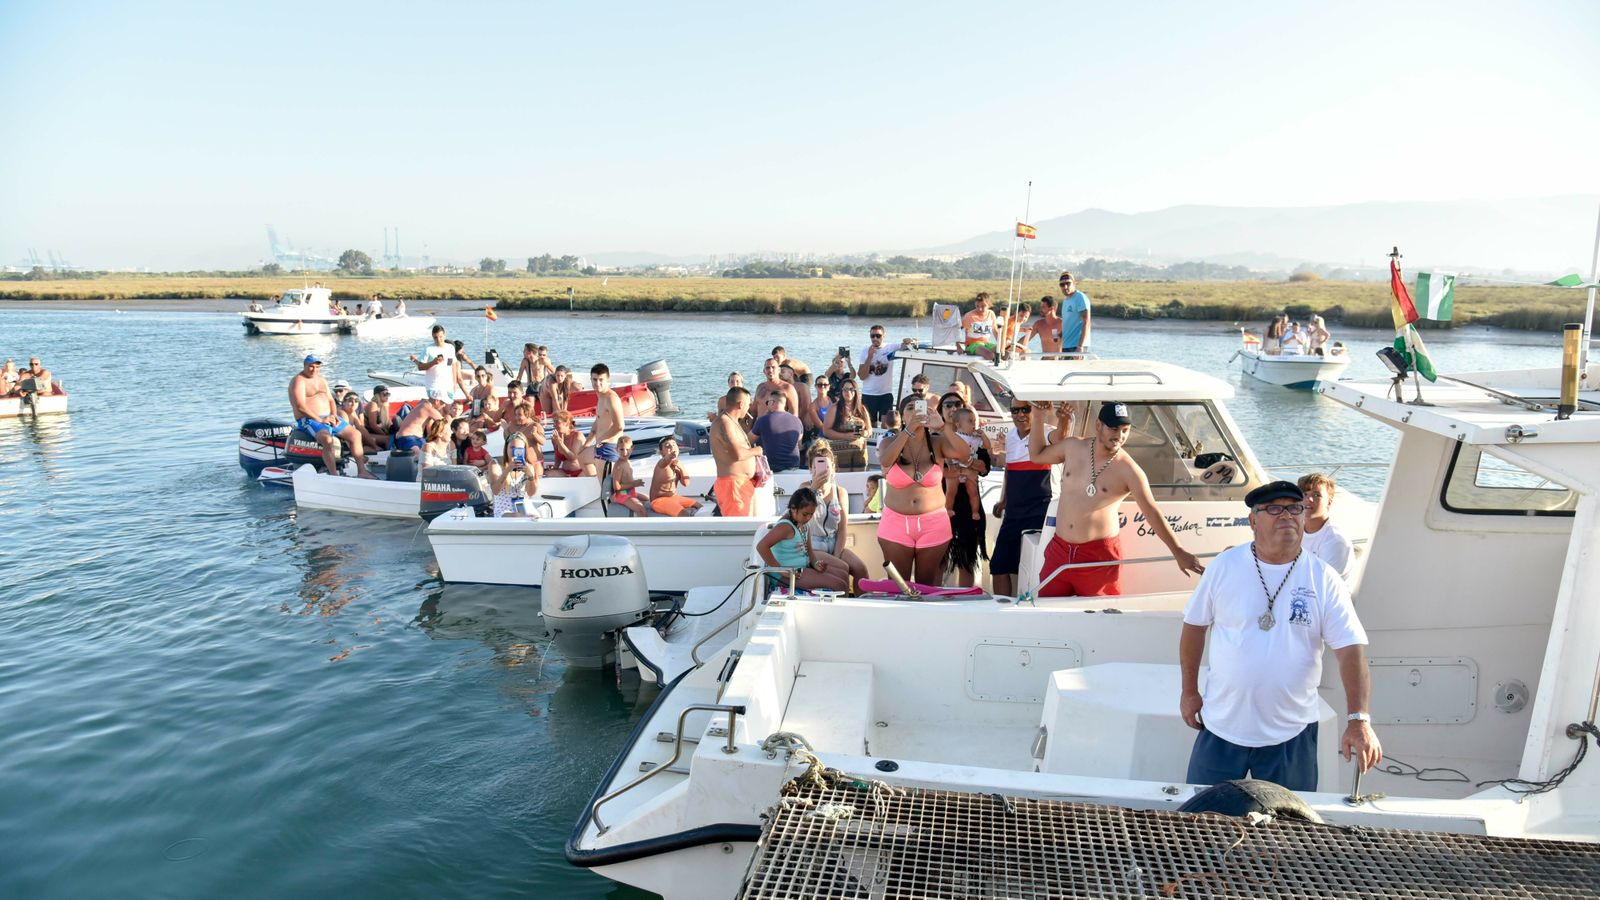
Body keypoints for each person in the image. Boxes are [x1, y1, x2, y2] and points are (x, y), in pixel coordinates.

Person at [1179, 480, 1381, 792]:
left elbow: (1350, 651)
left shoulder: (1324, 578)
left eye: (1294, 508)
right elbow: (1194, 627)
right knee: (1203, 822)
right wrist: (1189, 691)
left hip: (1291, 735)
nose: (1286, 515)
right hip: (1220, 727)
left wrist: (1359, 719)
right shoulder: (1224, 567)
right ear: (1253, 520)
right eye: (1274, 509)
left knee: (1289, 833)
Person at [1028, 401, 1202, 596]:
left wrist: (1178, 551)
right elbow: (1037, 456)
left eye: (1125, 430)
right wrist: (1038, 417)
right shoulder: (1072, 447)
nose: (1119, 436)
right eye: (1114, 428)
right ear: (1098, 425)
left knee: (1100, 620)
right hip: (1059, 550)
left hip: (1098, 557)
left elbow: (1151, 512)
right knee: (1048, 613)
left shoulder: (1129, 470)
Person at [876, 394, 970, 584]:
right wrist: (908, 431)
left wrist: (943, 427)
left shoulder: (937, 443)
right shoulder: (889, 442)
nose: (916, 412)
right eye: (910, 408)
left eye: (921, 407)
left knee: (927, 585)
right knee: (897, 585)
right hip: (896, 523)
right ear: (902, 416)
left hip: (933, 523)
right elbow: (885, 460)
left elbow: (964, 453)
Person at [991, 403, 1056, 597]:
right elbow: (1009, 470)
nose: (1020, 414)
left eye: (1025, 409)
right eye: (1015, 410)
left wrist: (1065, 419)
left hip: (1040, 511)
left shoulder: (1046, 432)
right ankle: (1003, 608)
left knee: (1034, 564)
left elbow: (1060, 438)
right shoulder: (1010, 436)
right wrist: (1003, 500)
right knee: (998, 565)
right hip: (1013, 511)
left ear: (1034, 411)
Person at [937, 393, 992, 587]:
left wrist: (962, 467)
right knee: (939, 558)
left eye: (957, 404)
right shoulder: (936, 438)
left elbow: (985, 467)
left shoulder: (974, 437)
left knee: (966, 559)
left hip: (969, 507)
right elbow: (935, 471)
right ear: (941, 411)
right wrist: (964, 468)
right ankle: (935, 598)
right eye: (947, 405)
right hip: (940, 504)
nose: (952, 408)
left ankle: (965, 599)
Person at [288, 355, 374, 478]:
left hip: (328, 417)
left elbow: (330, 400)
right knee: (327, 440)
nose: (314, 370)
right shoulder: (298, 381)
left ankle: (362, 472)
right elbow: (300, 406)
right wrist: (320, 419)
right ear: (304, 365)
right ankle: (334, 475)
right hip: (310, 420)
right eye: (311, 366)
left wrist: (333, 415)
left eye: (317, 367)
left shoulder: (321, 380)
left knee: (355, 435)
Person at [755, 487, 852, 593]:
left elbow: (809, 552)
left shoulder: (804, 524)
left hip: (801, 568)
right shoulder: (785, 527)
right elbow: (761, 546)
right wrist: (781, 570)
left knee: (843, 575)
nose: (808, 518)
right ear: (793, 509)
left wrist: (815, 564)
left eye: (811, 514)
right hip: (783, 575)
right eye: (805, 514)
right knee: (839, 584)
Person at [804, 440, 869, 584]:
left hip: (833, 543)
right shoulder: (805, 489)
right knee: (842, 570)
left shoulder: (840, 492)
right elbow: (800, 518)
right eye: (817, 467)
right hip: (813, 545)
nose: (822, 470)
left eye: (826, 466)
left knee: (861, 569)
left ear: (833, 467)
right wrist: (813, 489)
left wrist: (837, 555)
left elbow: (842, 528)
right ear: (810, 469)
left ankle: (861, 604)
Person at [712, 386, 764, 517]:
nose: (749, 408)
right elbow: (737, 454)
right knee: (740, 527)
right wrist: (756, 451)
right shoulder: (724, 422)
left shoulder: (732, 422)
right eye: (748, 404)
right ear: (741, 404)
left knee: (748, 528)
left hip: (741, 485)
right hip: (733, 487)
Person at [1298, 473, 1355, 580]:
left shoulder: (1335, 540)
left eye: (1316, 495)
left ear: (1329, 502)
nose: (1308, 499)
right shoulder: (1296, 530)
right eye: (1304, 494)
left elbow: (1322, 586)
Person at [578, 363, 625, 480]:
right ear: (590, 379)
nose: (597, 383)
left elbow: (619, 426)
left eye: (601, 380)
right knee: (581, 456)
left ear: (607, 380)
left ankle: (605, 491)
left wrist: (601, 439)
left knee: (607, 489)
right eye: (594, 379)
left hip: (609, 447)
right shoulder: (601, 397)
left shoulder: (611, 399)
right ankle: (595, 484)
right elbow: (598, 422)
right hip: (600, 445)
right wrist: (587, 443)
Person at [943, 408, 986, 520]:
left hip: (970, 469)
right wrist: (951, 465)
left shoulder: (976, 438)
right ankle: (948, 509)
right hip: (955, 468)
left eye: (974, 421)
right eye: (970, 421)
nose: (973, 424)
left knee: (973, 492)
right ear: (958, 424)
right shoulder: (954, 436)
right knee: (951, 491)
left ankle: (975, 512)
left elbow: (987, 447)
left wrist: (983, 436)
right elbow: (946, 453)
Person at [819, 379, 871, 470]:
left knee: (859, 479)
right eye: (845, 389)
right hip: (840, 454)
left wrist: (864, 433)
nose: (848, 392)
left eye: (851, 389)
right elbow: (826, 431)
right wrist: (845, 436)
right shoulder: (835, 408)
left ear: (855, 391)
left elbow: (869, 430)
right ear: (841, 391)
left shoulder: (861, 409)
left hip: (859, 453)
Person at [648, 436, 703, 516]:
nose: (672, 447)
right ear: (661, 452)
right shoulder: (661, 464)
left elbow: (686, 483)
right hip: (659, 500)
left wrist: (680, 468)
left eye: (674, 445)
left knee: (699, 506)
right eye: (667, 446)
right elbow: (666, 459)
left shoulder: (678, 463)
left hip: (674, 497)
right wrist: (671, 455)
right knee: (684, 513)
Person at [488, 432, 539, 517]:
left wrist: (530, 476)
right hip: (504, 506)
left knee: (535, 518)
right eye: (512, 448)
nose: (515, 451)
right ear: (506, 448)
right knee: (517, 517)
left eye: (519, 449)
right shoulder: (495, 464)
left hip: (523, 504)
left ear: (524, 450)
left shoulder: (529, 466)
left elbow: (531, 493)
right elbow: (495, 491)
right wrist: (507, 471)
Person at [751, 391, 804, 471]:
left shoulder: (763, 420)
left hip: (773, 467)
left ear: (772, 403)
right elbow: (799, 444)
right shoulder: (797, 421)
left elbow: (748, 440)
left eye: (767, 402)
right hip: (794, 465)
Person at [856, 324, 895, 427]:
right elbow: (862, 376)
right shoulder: (865, 350)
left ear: (884, 335)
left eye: (878, 336)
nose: (875, 338)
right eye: (872, 336)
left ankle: (883, 442)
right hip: (869, 394)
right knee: (870, 425)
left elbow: (905, 346)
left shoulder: (890, 347)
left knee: (886, 425)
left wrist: (908, 341)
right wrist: (869, 357)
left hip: (885, 393)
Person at [410, 325, 458, 401]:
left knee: (448, 410)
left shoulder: (450, 348)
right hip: (433, 386)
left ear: (444, 335)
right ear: (432, 337)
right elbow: (420, 367)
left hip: (448, 386)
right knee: (436, 411)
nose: (438, 339)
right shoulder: (428, 349)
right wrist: (433, 362)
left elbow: (453, 364)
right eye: (435, 337)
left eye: (440, 337)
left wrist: (454, 383)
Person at [608, 436, 648, 515]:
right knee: (641, 509)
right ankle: (642, 527)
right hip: (621, 495)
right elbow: (617, 487)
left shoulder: (628, 462)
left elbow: (627, 479)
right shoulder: (619, 466)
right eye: (621, 449)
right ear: (617, 450)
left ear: (632, 449)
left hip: (630, 492)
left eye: (627, 449)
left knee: (650, 500)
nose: (625, 452)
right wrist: (634, 484)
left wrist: (636, 483)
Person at [1057, 272, 1092, 354]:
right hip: (1066, 345)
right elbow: (1069, 321)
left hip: (1077, 347)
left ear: (1074, 283)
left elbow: (1086, 322)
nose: (1065, 287)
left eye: (1068, 283)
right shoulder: (1066, 300)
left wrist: (1080, 346)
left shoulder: (1080, 297)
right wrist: (1061, 334)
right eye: (1062, 285)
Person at [961, 292, 1000, 360]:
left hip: (986, 344)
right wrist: (958, 346)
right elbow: (957, 330)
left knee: (1004, 353)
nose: (979, 309)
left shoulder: (991, 314)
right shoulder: (969, 316)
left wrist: (1001, 346)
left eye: (983, 306)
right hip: (972, 345)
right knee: (990, 355)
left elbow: (995, 332)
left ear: (989, 305)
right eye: (977, 306)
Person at [549, 410, 585, 478]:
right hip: (565, 472)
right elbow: (558, 456)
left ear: (566, 423)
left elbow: (573, 458)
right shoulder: (555, 438)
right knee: (548, 474)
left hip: (580, 471)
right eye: (554, 422)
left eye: (557, 422)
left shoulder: (577, 435)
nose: (554, 425)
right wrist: (555, 467)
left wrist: (560, 444)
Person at [362, 385, 393, 449]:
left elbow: (388, 422)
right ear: (377, 395)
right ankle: (387, 455)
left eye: (388, 394)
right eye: (385, 394)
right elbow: (373, 425)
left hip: (375, 433)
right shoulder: (373, 404)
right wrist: (384, 435)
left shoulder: (384, 406)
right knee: (388, 439)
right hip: (367, 434)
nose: (387, 396)